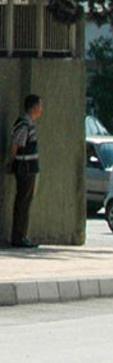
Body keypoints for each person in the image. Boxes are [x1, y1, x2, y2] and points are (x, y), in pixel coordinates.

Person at [8, 94, 42, 248]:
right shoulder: (24, 125)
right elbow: (16, 145)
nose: (41, 109)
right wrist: (12, 161)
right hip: (25, 168)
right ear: (34, 107)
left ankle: (22, 234)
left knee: (26, 202)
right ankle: (18, 236)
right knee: (22, 202)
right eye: (39, 106)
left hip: (30, 168)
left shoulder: (30, 124)